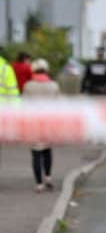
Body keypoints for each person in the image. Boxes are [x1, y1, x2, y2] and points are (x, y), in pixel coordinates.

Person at [23, 58, 60, 193]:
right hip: (49, 122)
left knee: (36, 153)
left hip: (33, 122)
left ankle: (39, 184)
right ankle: (48, 177)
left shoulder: (28, 86)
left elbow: (24, 105)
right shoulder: (54, 85)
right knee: (47, 150)